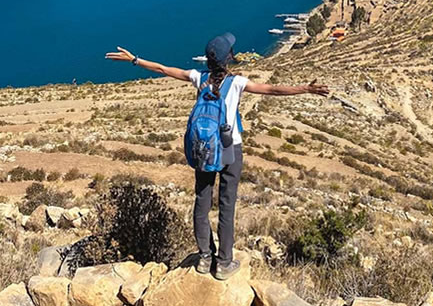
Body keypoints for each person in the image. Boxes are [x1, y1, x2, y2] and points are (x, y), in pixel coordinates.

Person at [106, 33, 329, 279]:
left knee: (201, 203)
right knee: (226, 205)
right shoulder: (237, 83)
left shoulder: (198, 78)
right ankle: (223, 263)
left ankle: (204, 258)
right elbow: (273, 90)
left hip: (203, 148)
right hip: (230, 149)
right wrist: (305, 89)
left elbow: (163, 69)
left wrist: (135, 59)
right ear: (228, 58)